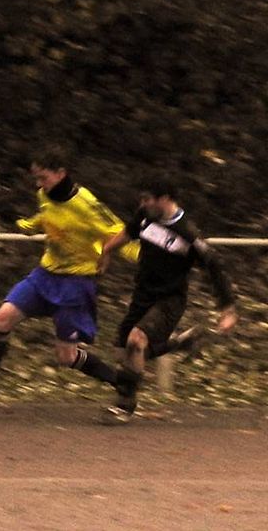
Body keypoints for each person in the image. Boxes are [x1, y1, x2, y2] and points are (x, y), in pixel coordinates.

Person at [0, 148, 138, 413]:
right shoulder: (44, 195)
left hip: (76, 284)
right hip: (44, 276)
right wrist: (30, 225)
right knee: (0, 320)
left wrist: (147, 258)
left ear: (61, 174)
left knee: (66, 357)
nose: (39, 184)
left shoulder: (88, 205)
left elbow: (122, 233)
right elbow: (48, 216)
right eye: (36, 178)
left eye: (44, 177)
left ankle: (122, 383)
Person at [97, 174, 237, 424]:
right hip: (143, 294)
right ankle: (177, 344)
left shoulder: (188, 234)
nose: (142, 204)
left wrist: (227, 309)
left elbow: (214, 268)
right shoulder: (145, 216)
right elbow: (128, 232)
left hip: (169, 299)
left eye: (147, 199)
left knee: (136, 340)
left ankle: (124, 407)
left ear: (164, 199)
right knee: (124, 354)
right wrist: (107, 249)